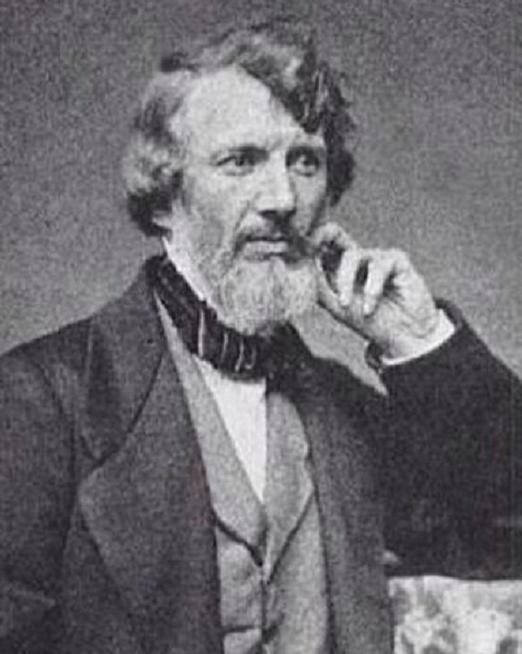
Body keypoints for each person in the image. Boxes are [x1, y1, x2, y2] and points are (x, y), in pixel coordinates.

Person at [0, 18, 520, 654]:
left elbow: (509, 536)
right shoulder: (41, 401)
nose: (280, 197)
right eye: (240, 161)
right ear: (165, 198)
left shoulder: (342, 410)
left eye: (304, 161)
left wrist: (419, 343)